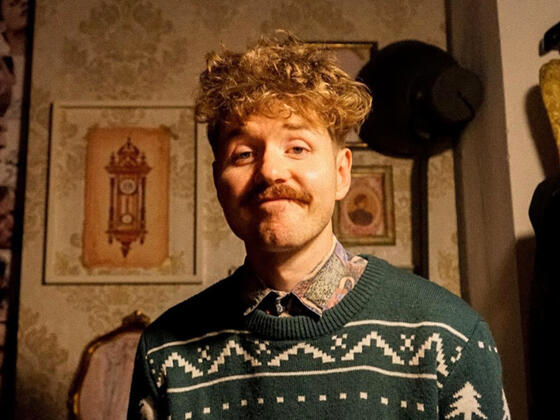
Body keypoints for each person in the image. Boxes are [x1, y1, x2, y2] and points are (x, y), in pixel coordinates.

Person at [128, 33, 509, 420]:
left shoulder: (450, 336)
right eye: (243, 154)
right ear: (218, 181)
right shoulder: (164, 353)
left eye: (297, 148)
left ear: (342, 173)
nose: (270, 171)